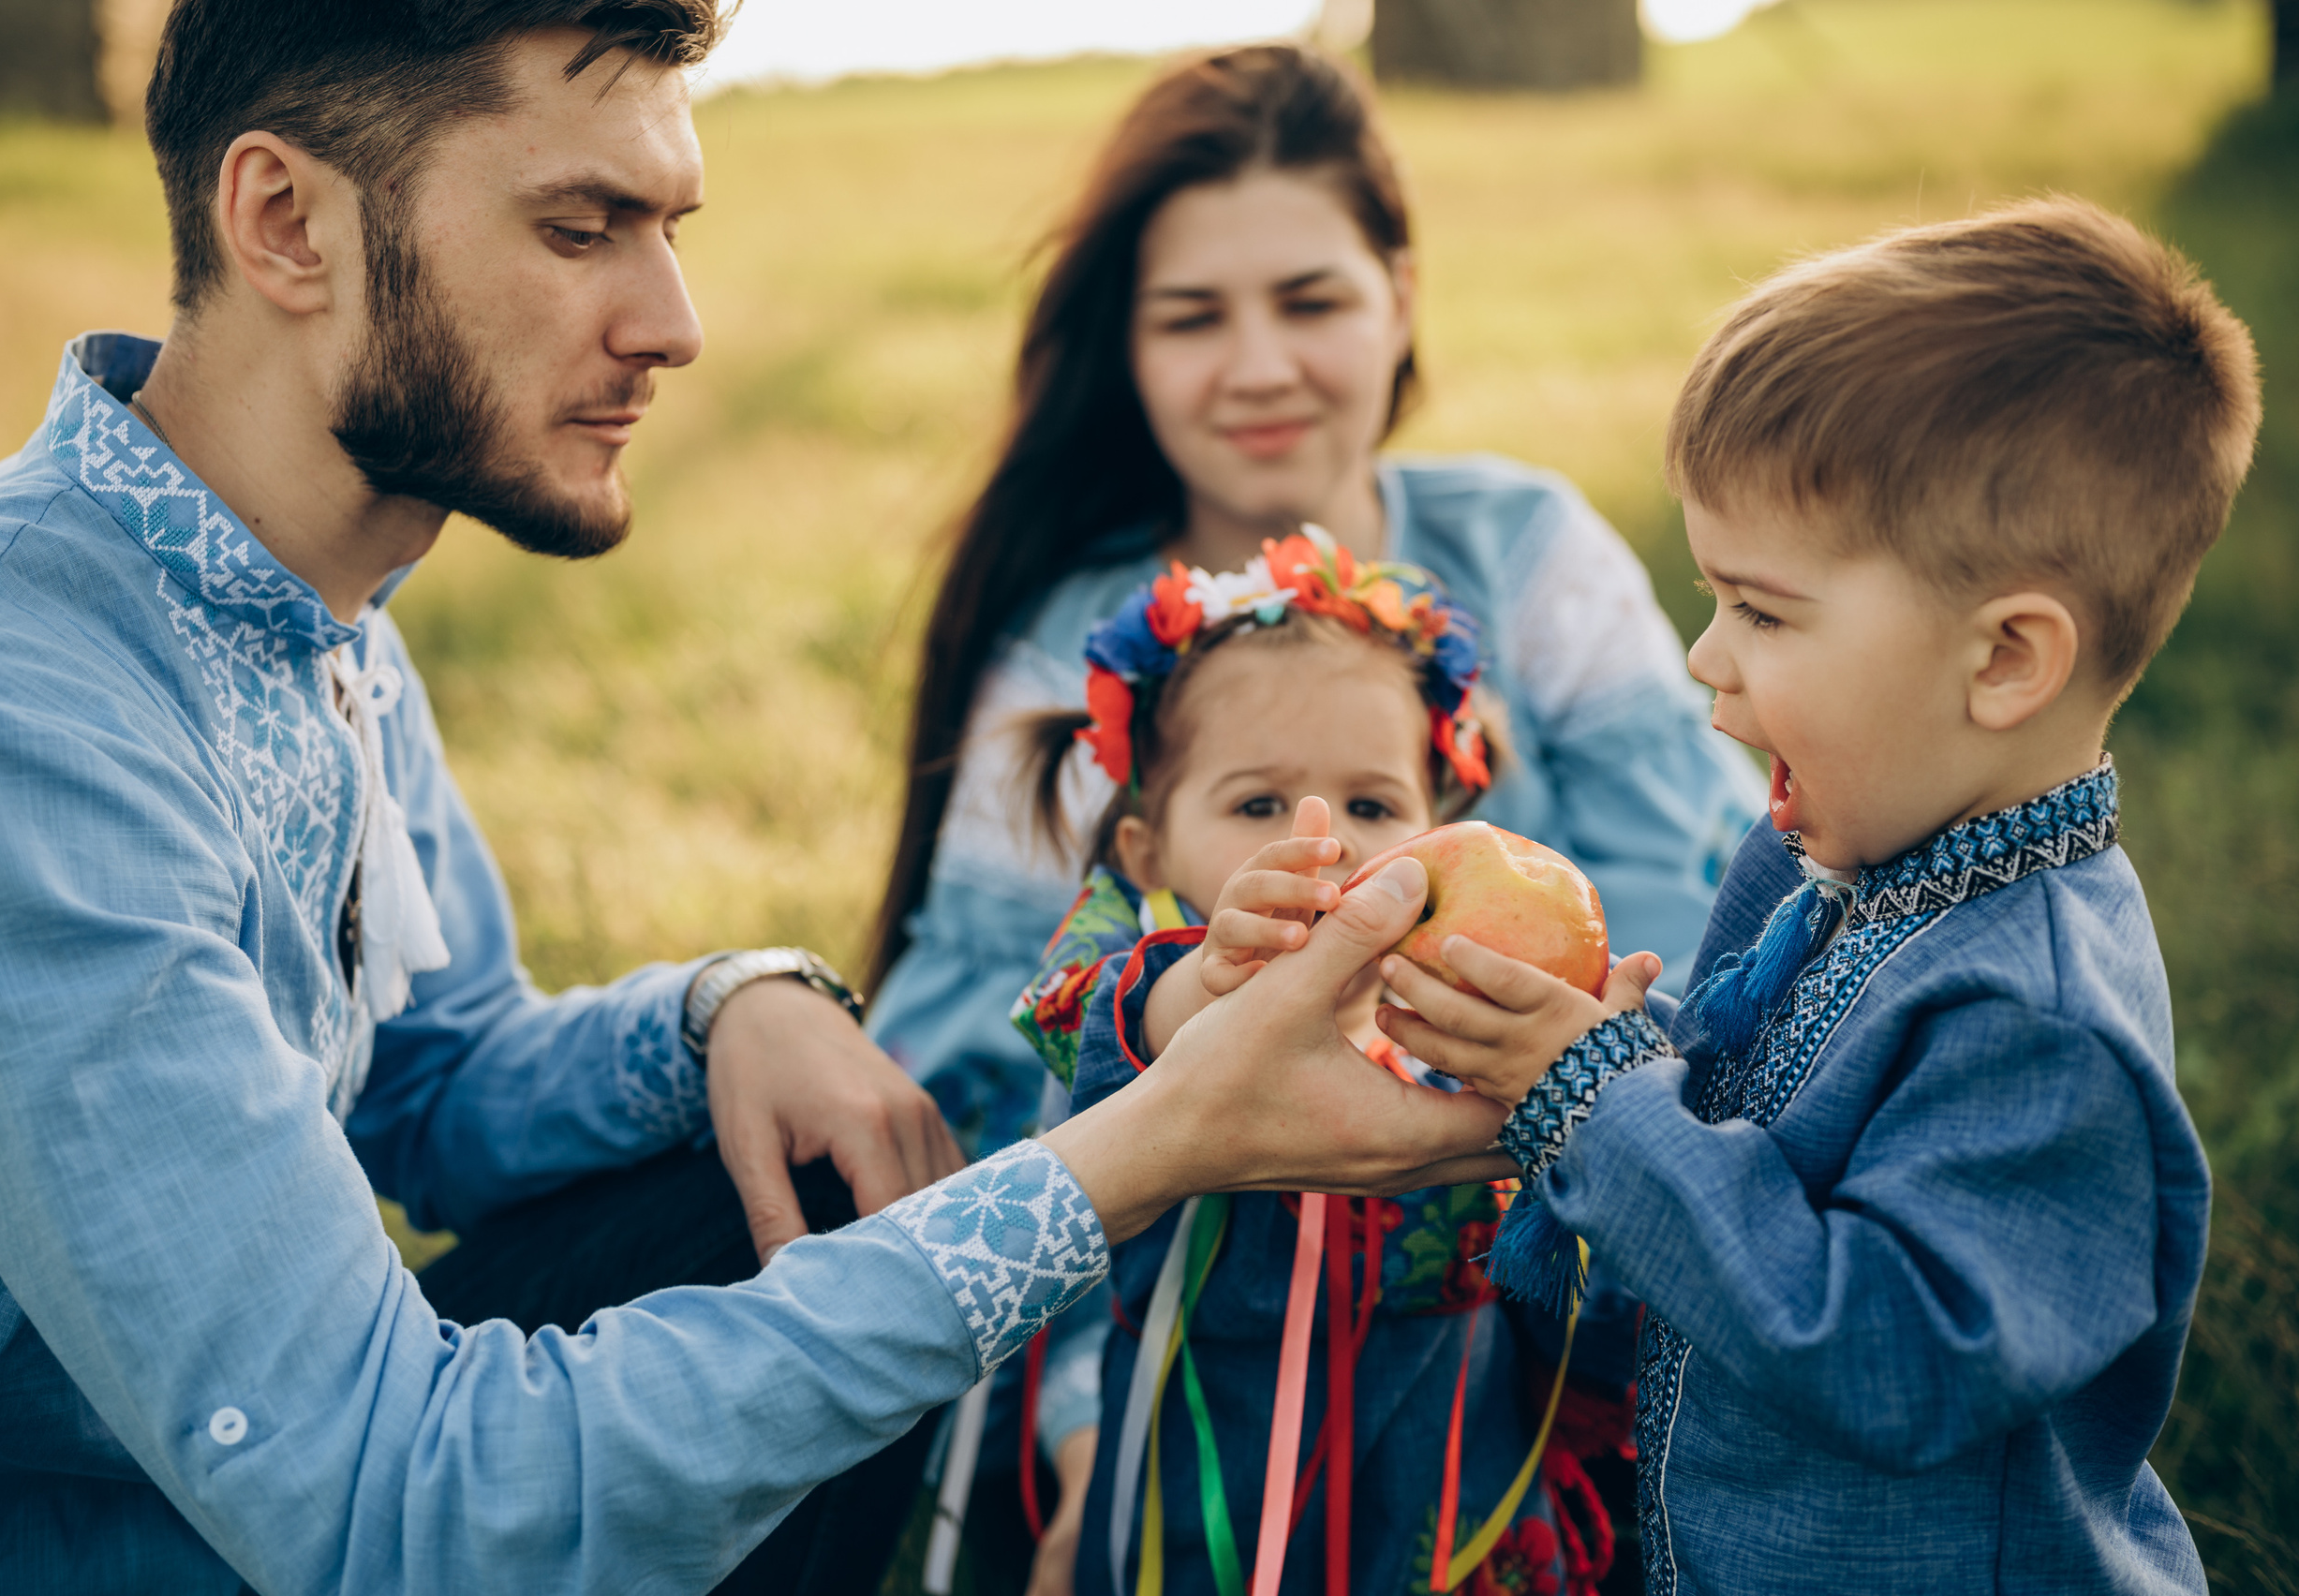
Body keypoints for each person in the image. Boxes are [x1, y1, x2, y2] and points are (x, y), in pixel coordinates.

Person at [0, 4, 1520, 1591]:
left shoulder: (297, 599)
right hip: (91, 1536)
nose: (672, 320)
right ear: (286, 222)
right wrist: (1145, 1143)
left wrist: (723, 1007)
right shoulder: (6, 716)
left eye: (666, 226)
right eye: (580, 226)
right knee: (866, 1266)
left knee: (793, 1181)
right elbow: (393, 1509)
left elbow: (434, 1073)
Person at [864, 42, 1758, 1586]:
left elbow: (1713, 898)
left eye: (1312, 299)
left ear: (1400, 295)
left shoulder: (1526, 548)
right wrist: (1093, 1425)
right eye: (1193, 317)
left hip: (1526, 1311)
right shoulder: (1072, 654)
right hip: (1174, 1340)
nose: (1259, 364)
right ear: (1126, 350)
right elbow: (963, 1055)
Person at [1383, 198, 2255, 1593]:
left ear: (2005, 662)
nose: (1702, 659)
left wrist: (1599, 1102)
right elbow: (1739, 1135)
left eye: (1763, 611)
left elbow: (1882, 1358)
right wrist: (1589, 1060)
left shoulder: (2036, 1019)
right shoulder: (1835, 860)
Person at [1011, 534, 1638, 1596]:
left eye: (1374, 806)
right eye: (1259, 807)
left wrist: (1580, 1079)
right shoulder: (1139, 990)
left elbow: (1568, 1262)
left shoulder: (1463, 1028)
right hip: (1206, 1511)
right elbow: (1085, 1028)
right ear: (1147, 851)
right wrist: (1207, 989)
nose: (1328, 848)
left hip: (1446, 1511)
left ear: (1438, 828)